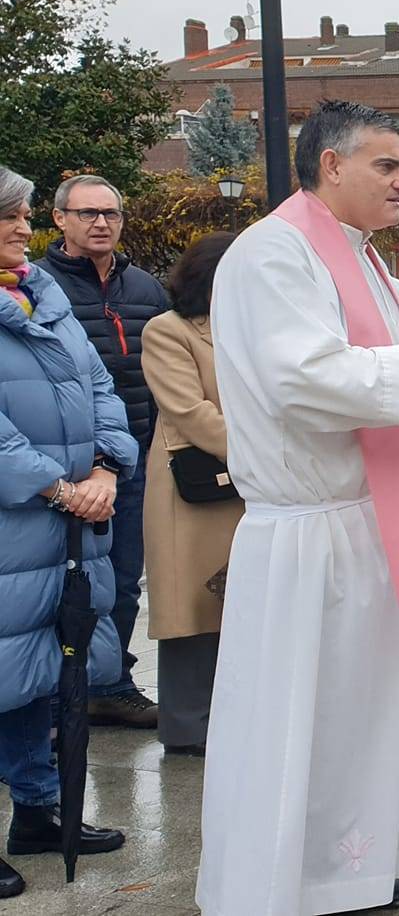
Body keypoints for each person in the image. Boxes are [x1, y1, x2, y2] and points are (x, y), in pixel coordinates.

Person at [199, 99, 399, 914]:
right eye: (389, 165)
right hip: (307, 531)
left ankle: (352, 870)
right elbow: (303, 377)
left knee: (361, 718)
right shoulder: (273, 254)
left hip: (365, 517)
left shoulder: (363, 257)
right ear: (331, 165)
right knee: (295, 719)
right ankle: (276, 885)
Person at [0, 165, 136, 901]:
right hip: (20, 520)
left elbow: (100, 386)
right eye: (12, 218)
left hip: (61, 528)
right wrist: (58, 487)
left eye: (25, 217)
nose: (27, 230)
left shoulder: (39, 297)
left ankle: (36, 811)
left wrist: (109, 467)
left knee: (33, 677)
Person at [43, 173, 165, 729]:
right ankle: (48, 692)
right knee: (55, 582)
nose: (101, 223)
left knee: (121, 578)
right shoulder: (38, 288)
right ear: (59, 219)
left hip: (134, 454)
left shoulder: (143, 286)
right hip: (62, 465)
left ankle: (111, 683)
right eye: (88, 213)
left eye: (111, 214)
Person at [139, 232, 242, 757]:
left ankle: (231, 720)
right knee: (191, 610)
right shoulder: (168, 330)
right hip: (194, 485)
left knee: (237, 605)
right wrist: (262, 448)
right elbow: (188, 410)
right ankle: (186, 726)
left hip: (249, 483)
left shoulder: (251, 327)